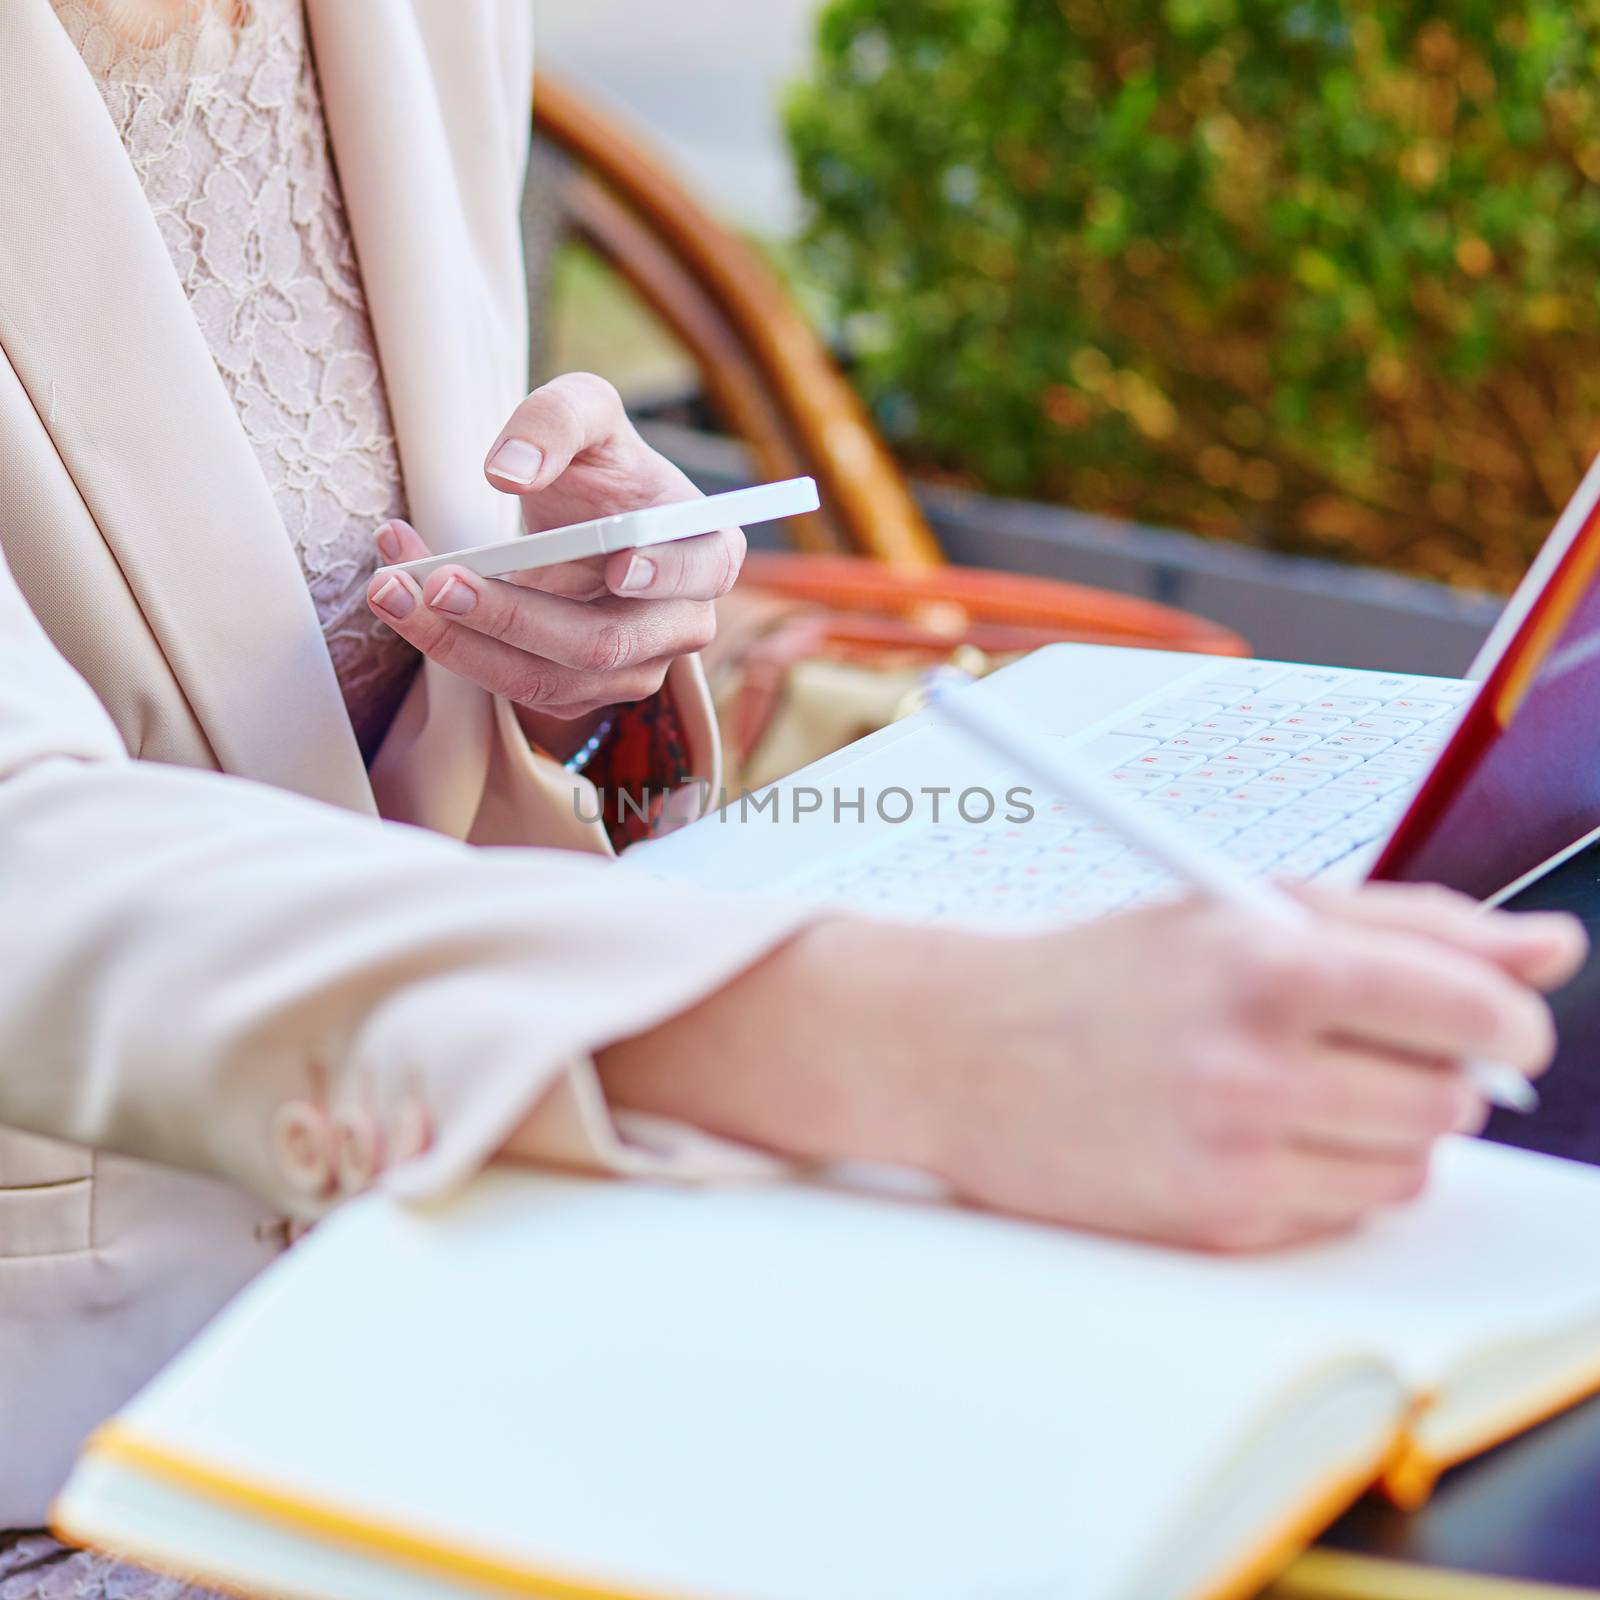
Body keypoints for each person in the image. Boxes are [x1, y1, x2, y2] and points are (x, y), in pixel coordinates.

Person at [0, 2, 1584, 1595]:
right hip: (87, 1426)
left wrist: (592, 650)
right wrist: (944, 1047)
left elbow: (368, 711)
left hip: (507, 1238)